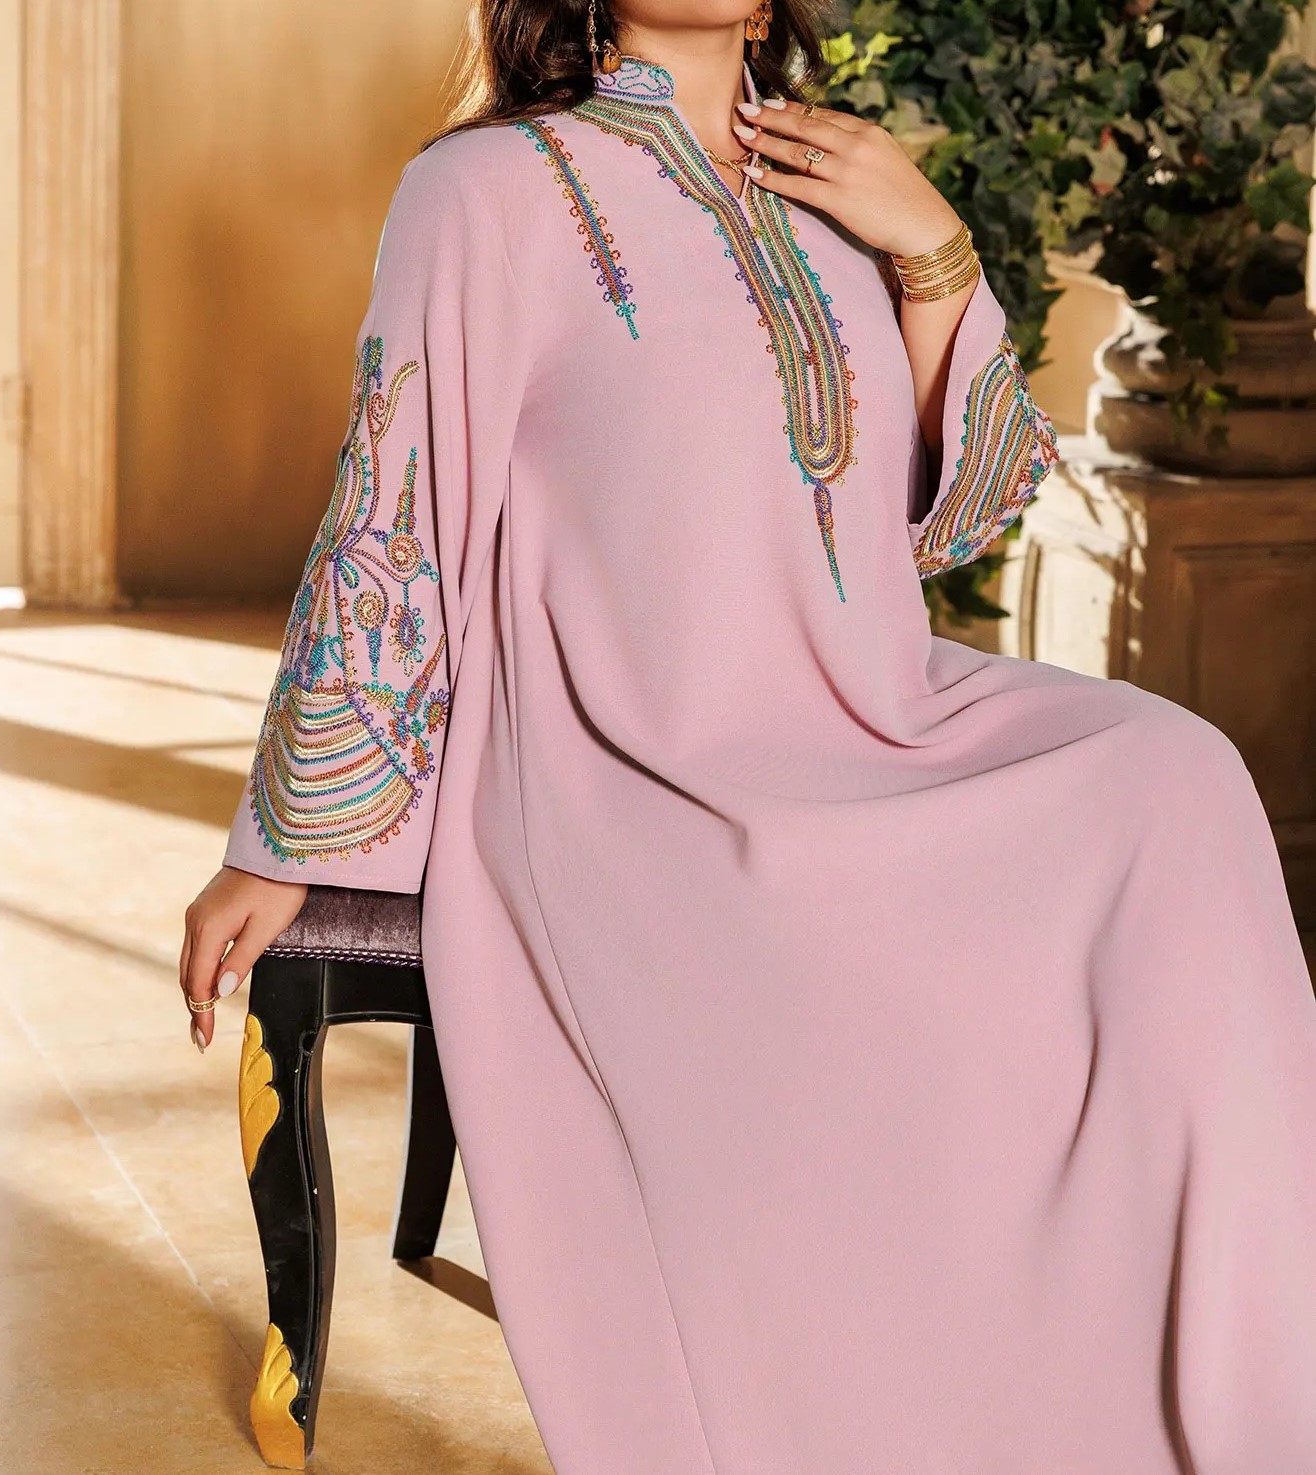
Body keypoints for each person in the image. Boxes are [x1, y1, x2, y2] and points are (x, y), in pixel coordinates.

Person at [179, 2, 1316, 1470]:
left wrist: (931, 247)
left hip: (875, 706)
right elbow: (400, 503)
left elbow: (950, 517)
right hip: (635, 766)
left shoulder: (842, 183)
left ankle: (1246, 1380)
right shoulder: (485, 190)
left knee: (1175, 777)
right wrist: (289, 840)